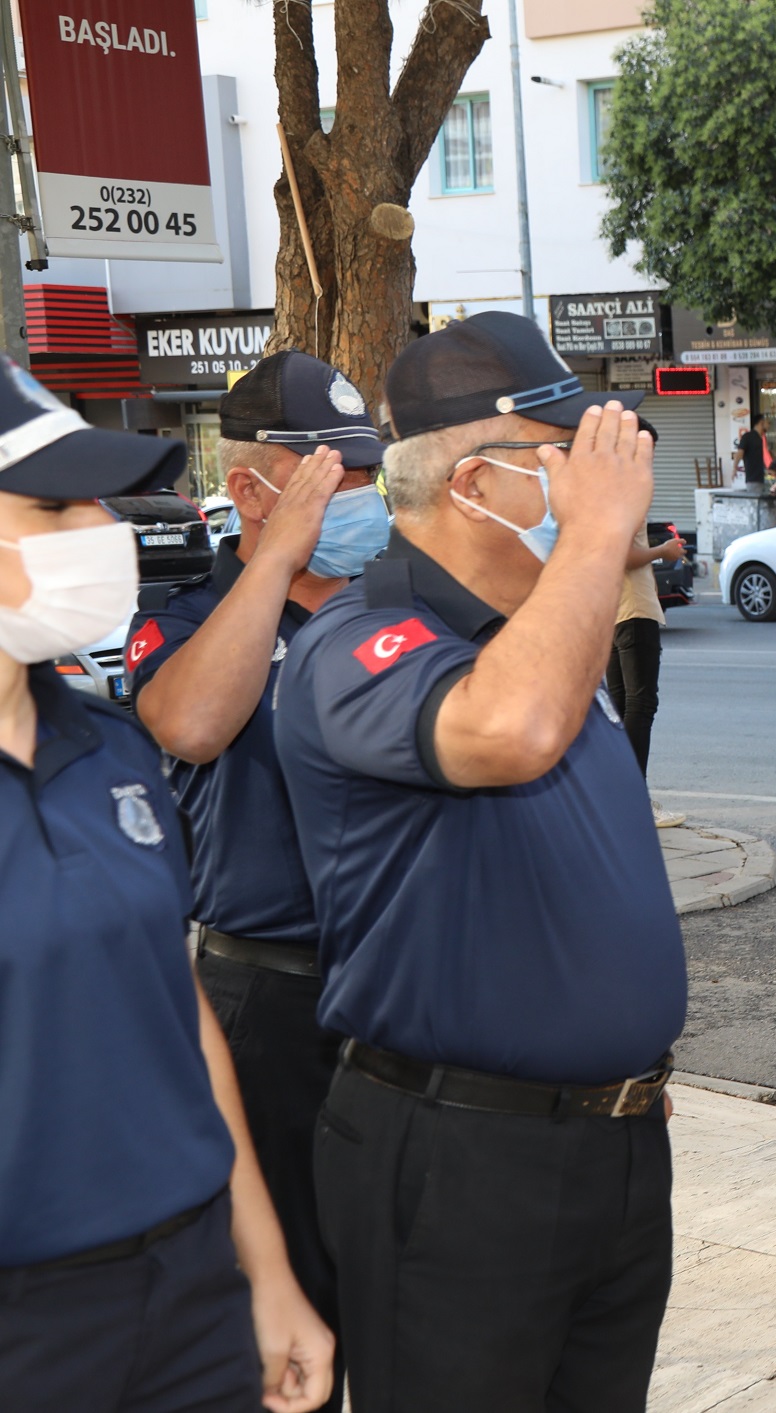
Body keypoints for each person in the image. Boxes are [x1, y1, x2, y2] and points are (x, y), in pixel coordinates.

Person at [272, 312, 685, 1412]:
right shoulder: (364, 642)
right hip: (461, 1158)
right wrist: (597, 540)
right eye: (567, 455)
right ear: (473, 482)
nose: (602, 479)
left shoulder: (538, 634)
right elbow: (504, 738)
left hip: (612, 1146)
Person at [0, 359, 334, 1412]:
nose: (99, 526)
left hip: (189, 1285)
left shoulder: (107, 747)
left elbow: (179, 1017)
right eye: (54, 506)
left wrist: (267, 1274)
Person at [125, 350, 388, 1413]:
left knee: (406, 1283)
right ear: (252, 489)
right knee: (291, 1307)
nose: (364, 502)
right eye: (335, 478)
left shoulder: (395, 607)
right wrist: (276, 565)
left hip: (394, 989)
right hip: (269, 999)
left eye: (372, 475)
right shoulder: (192, 615)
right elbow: (191, 722)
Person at [609, 521, 688, 828]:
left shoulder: (598, 494)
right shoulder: (625, 493)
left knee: (621, 707)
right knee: (640, 706)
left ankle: (619, 798)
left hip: (613, 609)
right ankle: (634, 800)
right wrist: (663, 551)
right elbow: (622, 554)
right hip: (633, 608)